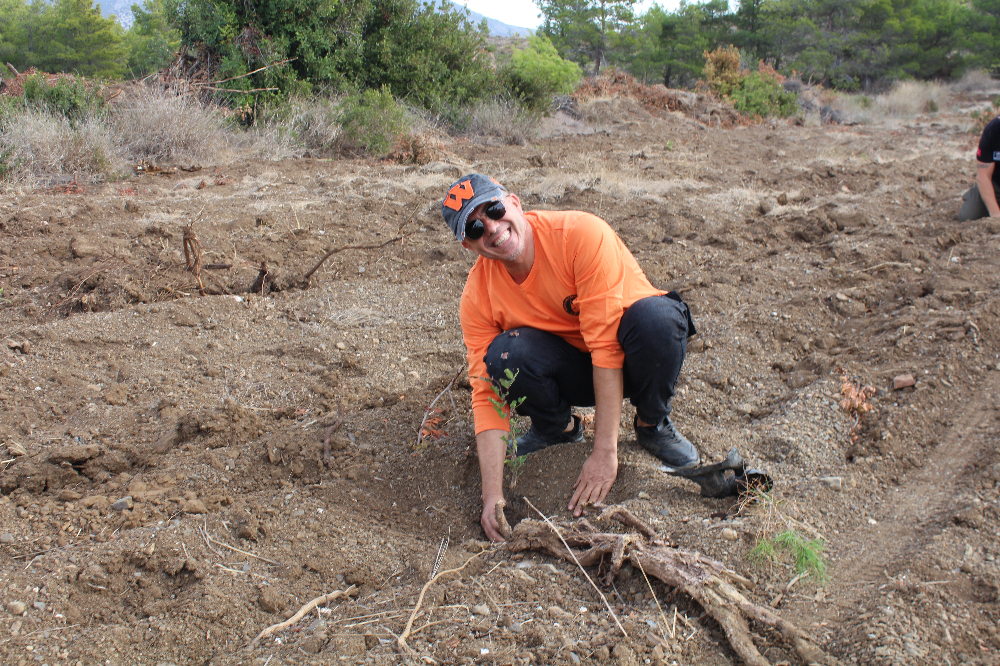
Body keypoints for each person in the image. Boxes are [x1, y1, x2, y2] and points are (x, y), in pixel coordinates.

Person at [441, 174, 700, 542]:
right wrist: (492, 496)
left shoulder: (580, 234)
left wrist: (605, 454)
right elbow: (486, 395)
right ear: (469, 246)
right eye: (476, 227)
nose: (493, 228)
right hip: (574, 371)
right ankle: (557, 428)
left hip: (631, 354)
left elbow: (606, 348)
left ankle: (652, 424)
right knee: (502, 356)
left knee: (657, 320)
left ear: (514, 202)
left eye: (495, 209)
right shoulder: (476, 296)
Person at [959, 116, 1000, 221]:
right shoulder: (993, 129)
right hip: (996, 184)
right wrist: (995, 216)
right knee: (967, 216)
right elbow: (983, 176)